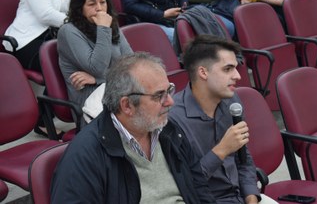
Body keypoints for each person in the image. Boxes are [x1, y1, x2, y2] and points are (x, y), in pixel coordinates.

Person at [51, 52, 216, 203]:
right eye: (159, 95)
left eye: (169, 90)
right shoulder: (85, 154)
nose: (170, 101)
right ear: (127, 105)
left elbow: (199, 188)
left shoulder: (169, 130)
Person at [169, 35, 277, 204]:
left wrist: (251, 197)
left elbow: (244, 159)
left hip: (241, 197)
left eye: (235, 68)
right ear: (203, 72)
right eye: (228, 69)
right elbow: (183, 184)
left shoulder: (232, 102)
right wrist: (221, 151)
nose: (237, 76)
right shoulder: (172, 119)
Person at [57, 0, 133, 113]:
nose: (99, 8)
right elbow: (97, 68)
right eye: (92, 4)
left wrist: (97, 79)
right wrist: (103, 28)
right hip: (91, 100)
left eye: (103, 2)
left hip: (119, 89)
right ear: (80, 8)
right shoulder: (68, 31)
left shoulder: (110, 24)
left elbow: (131, 64)